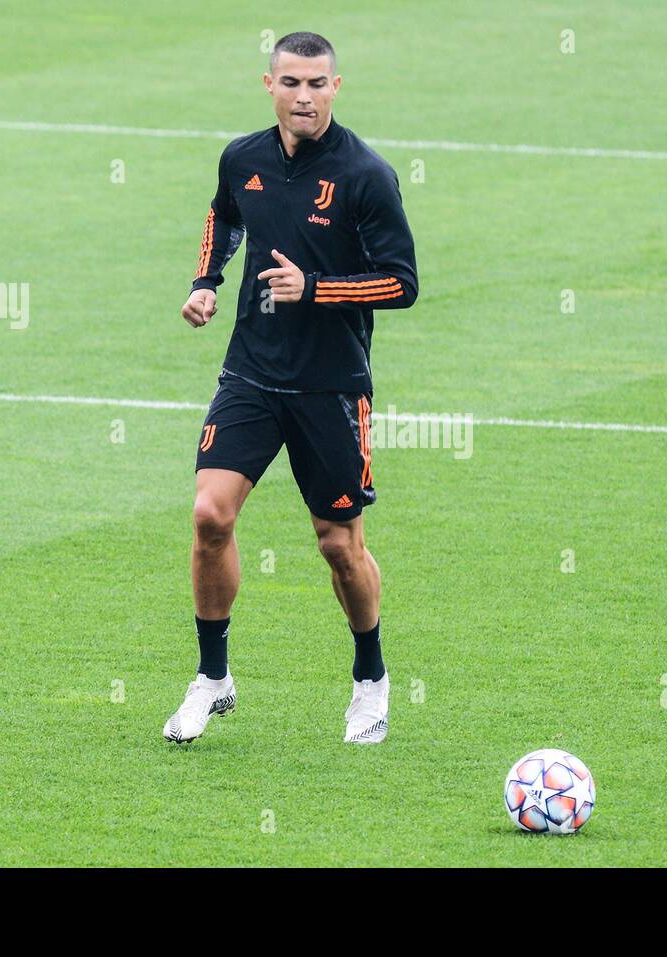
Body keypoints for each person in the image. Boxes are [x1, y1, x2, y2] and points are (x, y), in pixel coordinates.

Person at [163, 32, 419, 745]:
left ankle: (371, 678)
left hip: (331, 387)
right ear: (267, 85)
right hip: (251, 371)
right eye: (290, 82)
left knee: (338, 545)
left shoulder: (366, 174)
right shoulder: (243, 158)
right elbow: (225, 215)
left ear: (337, 88)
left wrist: (317, 289)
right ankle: (213, 677)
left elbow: (403, 282)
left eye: (316, 83)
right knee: (210, 514)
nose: (303, 96)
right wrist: (205, 283)